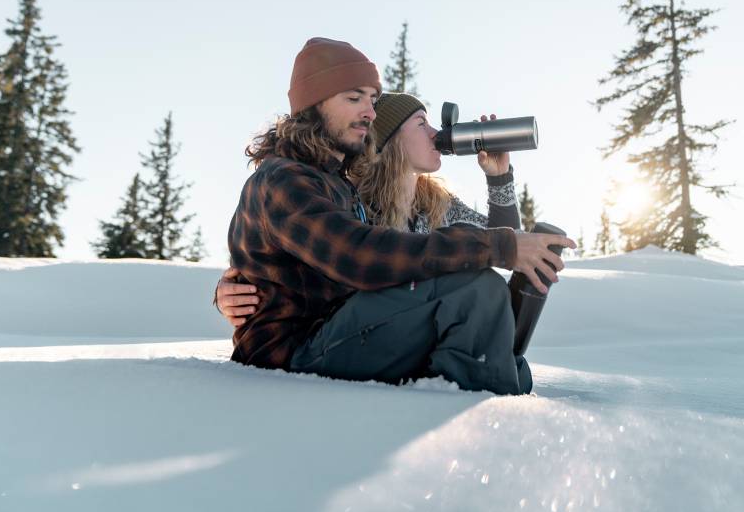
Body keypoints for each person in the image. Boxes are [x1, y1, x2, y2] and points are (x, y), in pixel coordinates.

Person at [218, 37, 572, 395]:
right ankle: (475, 419)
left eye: (372, 100)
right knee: (477, 292)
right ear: (313, 105)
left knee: (511, 360)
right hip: (293, 354)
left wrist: (500, 187)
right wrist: (231, 284)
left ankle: (478, 400)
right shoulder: (288, 179)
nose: (369, 112)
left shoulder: (340, 184)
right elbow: (357, 255)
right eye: (354, 98)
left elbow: (296, 257)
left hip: (342, 331)